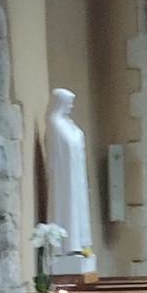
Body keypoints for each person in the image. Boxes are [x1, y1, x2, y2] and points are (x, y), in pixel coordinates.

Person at [45, 88, 92, 255]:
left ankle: (78, 243)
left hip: (74, 176)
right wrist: (77, 135)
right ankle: (68, 245)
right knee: (67, 207)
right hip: (65, 177)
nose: (71, 106)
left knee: (76, 207)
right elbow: (69, 144)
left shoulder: (66, 124)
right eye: (69, 103)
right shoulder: (56, 123)